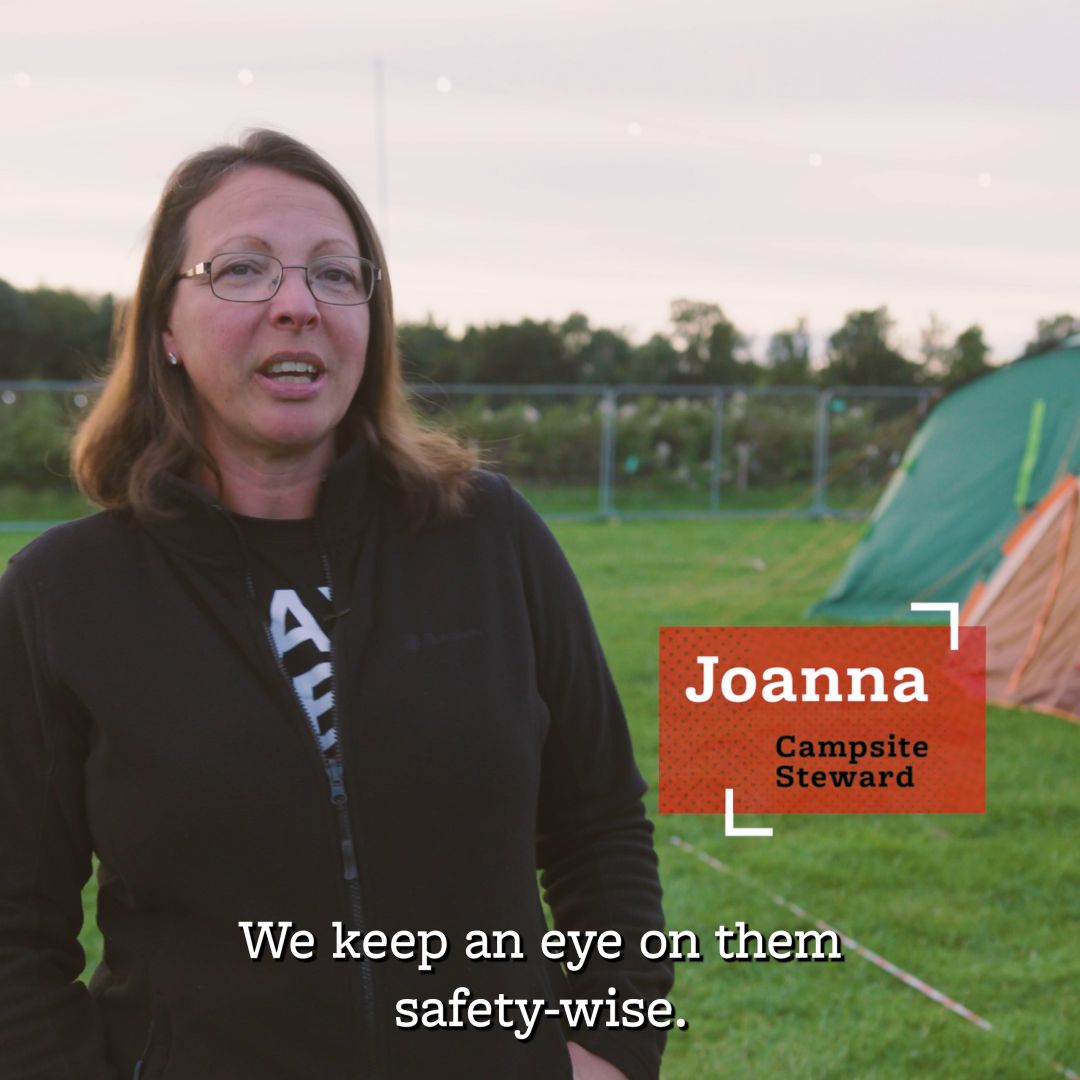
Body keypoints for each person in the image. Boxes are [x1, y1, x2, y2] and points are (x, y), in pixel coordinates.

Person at [0, 129, 672, 1080]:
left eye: (335, 275)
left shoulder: (490, 536)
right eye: (241, 270)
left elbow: (598, 823)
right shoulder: (61, 597)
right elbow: (12, 937)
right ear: (164, 327)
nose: (296, 306)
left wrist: (611, 1049)